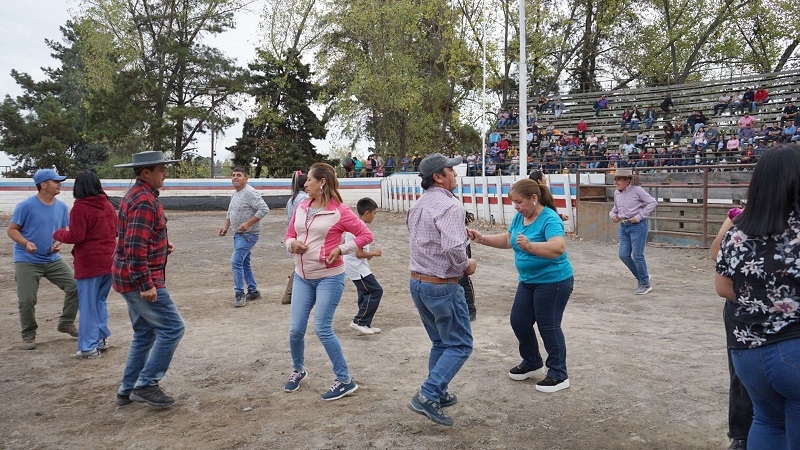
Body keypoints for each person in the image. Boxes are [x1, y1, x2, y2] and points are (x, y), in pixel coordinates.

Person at [714, 144, 800, 448]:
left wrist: (764, 301)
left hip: (748, 352)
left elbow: (722, 288)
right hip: (793, 349)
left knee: (766, 421)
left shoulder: (737, 232)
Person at [468, 179, 574, 393]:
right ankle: (532, 362)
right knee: (519, 321)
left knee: (549, 326)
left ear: (534, 199)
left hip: (554, 281)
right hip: (528, 280)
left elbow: (558, 247)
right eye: (513, 202)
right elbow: (509, 239)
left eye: (519, 202)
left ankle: (558, 374)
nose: (516, 206)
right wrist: (483, 239)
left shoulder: (550, 218)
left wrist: (531, 246)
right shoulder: (519, 217)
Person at [283, 162, 373, 401]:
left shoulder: (340, 211)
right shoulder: (301, 206)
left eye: (310, 180)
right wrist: (292, 245)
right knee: (295, 330)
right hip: (302, 276)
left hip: (329, 278)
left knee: (322, 328)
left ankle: (345, 380)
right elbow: (289, 234)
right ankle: (298, 370)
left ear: (322, 183)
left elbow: (366, 235)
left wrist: (343, 249)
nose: (306, 184)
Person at [406, 153, 476, 427]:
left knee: (440, 342)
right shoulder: (450, 207)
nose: (455, 174)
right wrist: (466, 265)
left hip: (419, 281)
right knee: (460, 344)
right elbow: (452, 248)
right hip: (441, 285)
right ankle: (429, 393)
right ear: (438, 176)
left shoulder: (419, 204)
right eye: (451, 170)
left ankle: (439, 391)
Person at [112, 151, 186, 408]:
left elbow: (136, 239)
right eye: (161, 169)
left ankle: (127, 389)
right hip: (140, 279)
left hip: (127, 276)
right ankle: (146, 384)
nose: (165, 173)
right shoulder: (144, 201)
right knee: (173, 328)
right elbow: (133, 246)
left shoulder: (137, 195)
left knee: (144, 334)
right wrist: (146, 285)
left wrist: (161, 243)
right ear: (146, 173)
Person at [7, 168, 79, 350]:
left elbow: (62, 230)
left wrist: (58, 242)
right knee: (27, 300)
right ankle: (28, 335)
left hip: (52, 259)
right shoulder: (26, 206)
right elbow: (12, 230)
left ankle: (66, 323)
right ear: (43, 185)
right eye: (55, 181)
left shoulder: (62, 206)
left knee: (75, 286)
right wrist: (26, 243)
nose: (59, 184)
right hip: (27, 260)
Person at [53, 171, 117, 359]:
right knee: (99, 301)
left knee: (88, 304)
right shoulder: (107, 205)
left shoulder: (80, 208)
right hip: (109, 261)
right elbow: (115, 231)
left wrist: (57, 234)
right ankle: (100, 338)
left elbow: (76, 236)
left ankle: (89, 346)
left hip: (89, 263)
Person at [710, 207, 753, 450]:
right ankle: (741, 434)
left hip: (743, 305)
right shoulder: (745, 217)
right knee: (741, 373)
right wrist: (730, 219)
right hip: (740, 307)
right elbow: (716, 251)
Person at [218, 167, 270, 307]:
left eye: (239, 175)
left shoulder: (250, 193)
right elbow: (230, 212)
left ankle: (239, 293)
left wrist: (248, 223)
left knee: (236, 261)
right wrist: (226, 227)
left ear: (246, 179)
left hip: (248, 235)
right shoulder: (235, 194)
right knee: (244, 263)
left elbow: (264, 209)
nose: (235, 177)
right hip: (239, 234)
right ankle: (253, 291)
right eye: (233, 175)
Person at [609, 168, 657, 294]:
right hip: (624, 226)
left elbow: (652, 202)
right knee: (623, 255)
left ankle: (645, 283)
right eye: (615, 180)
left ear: (627, 180)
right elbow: (615, 209)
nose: (616, 182)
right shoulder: (617, 193)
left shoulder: (637, 191)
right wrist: (613, 215)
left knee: (637, 255)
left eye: (619, 180)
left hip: (637, 226)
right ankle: (643, 277)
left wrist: (640, 216)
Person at [344, 197, 384, 336]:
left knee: (364, 293)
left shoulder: (357, 225)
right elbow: (359, 254)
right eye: (374, 213)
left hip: (356, 265)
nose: (374, 216)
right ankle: (359, 321)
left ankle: (365, 324)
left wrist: (368, 254)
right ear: (367, 212)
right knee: (376, 291)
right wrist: (374, 253)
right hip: (356, 266)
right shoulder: (359, 228)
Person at [282, 171, 308, 305]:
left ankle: (290, 294)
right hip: (299, 235)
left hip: (291, 235)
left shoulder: (292, 198)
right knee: (300, 267)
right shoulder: (303, 198)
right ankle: (289, 294)